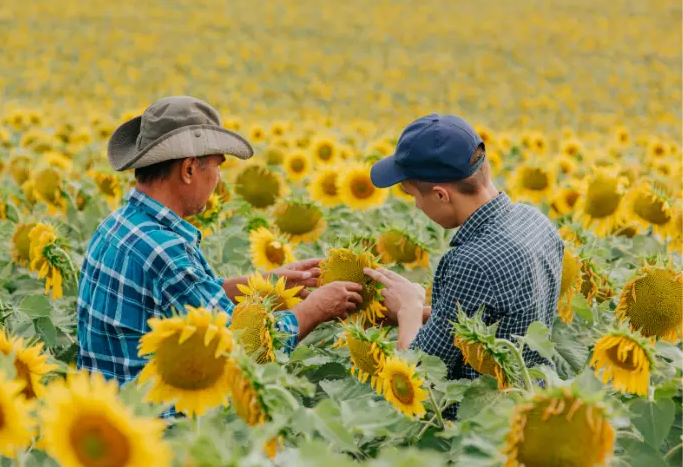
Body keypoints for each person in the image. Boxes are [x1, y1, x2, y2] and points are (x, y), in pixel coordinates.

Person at [77, 96, 363, 389]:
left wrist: (264, 284)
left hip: (109, 405)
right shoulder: (165, 249)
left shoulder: (115, 225)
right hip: (159, 422)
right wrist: (316, 308)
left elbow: (186, 298)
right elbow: (242, 350)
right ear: (188, 170)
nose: (219, 180)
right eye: (217, 166)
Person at [364, 113, 563, 382]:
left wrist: (409, 308)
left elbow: (418, 374)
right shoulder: (536, 222)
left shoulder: (472, 261)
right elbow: (495, 318)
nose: (417, 206)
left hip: (480, 416)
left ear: (440, 195)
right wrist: (417, 314)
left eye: (414, 196)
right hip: (530, 396)